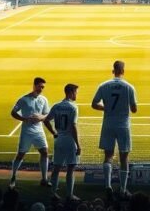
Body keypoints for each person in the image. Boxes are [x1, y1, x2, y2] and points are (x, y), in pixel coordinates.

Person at [92, 60, 138, 196]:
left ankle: (107, 185)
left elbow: (94, 104)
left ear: (113, 70)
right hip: (123, 125)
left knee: (108, 156)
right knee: (124, 157)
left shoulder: (104, 85)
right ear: (123, 71)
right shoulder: (129, 87)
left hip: (108, 124)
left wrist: (106, 107)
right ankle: (123, 189)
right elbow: (134, 109)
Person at [10, 77, 54, 188]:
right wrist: (23, 119)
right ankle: (13, 177)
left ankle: (44, 179)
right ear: (34, 85)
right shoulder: (24, 99)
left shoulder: (43, 100)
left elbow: (46, 116)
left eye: (43, 87)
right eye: (40, 86)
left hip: (39, 131)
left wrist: (41, 117)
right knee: (21, 155)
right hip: (27, 131)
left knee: (44, 152)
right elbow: (13, 112)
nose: (41, 89)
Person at [48, 84, 81, 202]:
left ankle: (53, 193)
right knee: (71, 167)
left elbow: (46, 120)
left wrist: (53, 132)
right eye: (76, 92)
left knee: (56, 167)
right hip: (69, 140)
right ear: (71, 92)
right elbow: (73, 126)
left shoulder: (56, 106)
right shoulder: (73, 107)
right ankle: (70, 195)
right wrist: (78, 144)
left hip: (59, 139)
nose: (77, 94)